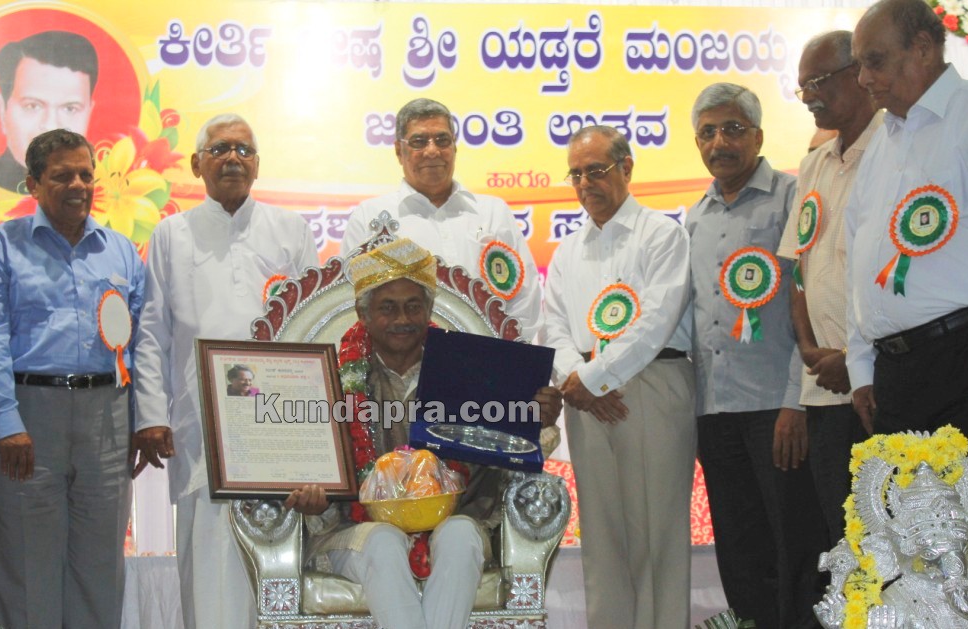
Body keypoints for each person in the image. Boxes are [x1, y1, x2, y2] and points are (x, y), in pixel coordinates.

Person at [286, 237, 561, 629]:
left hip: (456, 518)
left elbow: (514, 443)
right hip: (352, 529)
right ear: (362, 315)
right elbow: (305, 463)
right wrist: (312, 498)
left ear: (430, 310)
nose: (403, 318)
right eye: (388, 308)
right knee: (383, 541)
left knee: (461, 535)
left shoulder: (471, 373)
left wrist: (541, 418)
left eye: (414, 306)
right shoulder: (328, 380)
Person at [131, 113, 320, 629]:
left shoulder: (291, 230)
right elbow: (152, 332)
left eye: (243, 149)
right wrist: (152, 415)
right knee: (209, 564)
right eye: (219, 150)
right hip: (200, 428)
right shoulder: (171, 234)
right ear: (196, 164)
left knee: (280, 566)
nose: (232, 157)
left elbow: (315, 330)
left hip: (280, 426)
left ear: (257, 164)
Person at [0, 128, 143, 628]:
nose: (78, 185)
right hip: (27, 417)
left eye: (86, 174)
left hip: (106, 419)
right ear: (32, 183)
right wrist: (5, 422)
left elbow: (139, 343)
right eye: (62, 175)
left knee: (100, 567)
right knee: (28, 565)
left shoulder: (121, 252)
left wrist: (138, 419)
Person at [538, 125, 695, 628]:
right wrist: (582, 382)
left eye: (597, 170)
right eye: (577, 174)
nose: (586, 182)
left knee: (656, 535)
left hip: (650, 386)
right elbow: (555, 326)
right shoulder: (567, 251)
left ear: (627, 169)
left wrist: (597, 380)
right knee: (602, 537)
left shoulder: (662, 234)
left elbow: (657, 319)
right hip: (585, 399)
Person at [686, 83, 828, 628]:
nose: (720, 141)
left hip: (776, 409)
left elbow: (807, 301)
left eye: (732, 128)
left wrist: (797, 400)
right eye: (708, 132)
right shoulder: (695, 216)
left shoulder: (792, 198)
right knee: (740, 555)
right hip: (715, 413)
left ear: (758, 136)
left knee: (796, 548)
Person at [846, 0, 968, 487]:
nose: (864, 78)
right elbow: (858, 258)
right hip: (894, 376)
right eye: (860, 64)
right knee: (909, 547)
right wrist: (861, 367)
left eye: (875, 60)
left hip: (966, 365)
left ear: (924, 49)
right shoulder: (882, 141)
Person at [777, 31, 881, 547]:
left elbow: (894, 271)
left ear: (859, 72)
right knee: (842, 543)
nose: (811, 96)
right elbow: (798, 267)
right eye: (802, 88)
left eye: (818, 81)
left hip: (878, 385)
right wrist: (809, 349)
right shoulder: (814, 164)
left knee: (889, 537)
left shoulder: (892, 146)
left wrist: (855, 356)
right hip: (823, 388)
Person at [341, 98, 542, 340]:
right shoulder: (370, 216)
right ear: (398, 151)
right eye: (419, 141)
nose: (432, 150)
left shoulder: (492, 212)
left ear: (455, 147)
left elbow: (525, 297)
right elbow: (351, 302)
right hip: (404, 367)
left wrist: (516, 355)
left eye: (442, 140)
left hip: (491, 360)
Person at [0, 31, 97, 192]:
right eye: (32, 106)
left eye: (70, 109)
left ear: (89, 114)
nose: (51, 126)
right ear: (2, 110)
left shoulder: (104, 190)